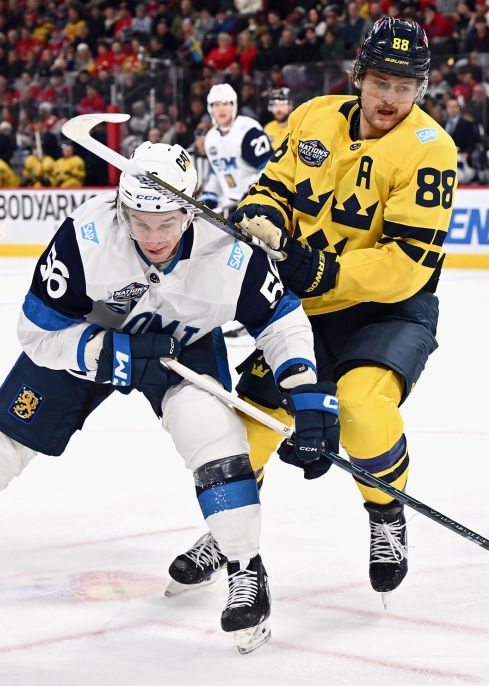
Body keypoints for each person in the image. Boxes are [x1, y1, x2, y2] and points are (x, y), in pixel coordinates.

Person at [0, 142, 334, 655]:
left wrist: (304, 389)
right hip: (84, 344)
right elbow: (38, 332)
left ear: (191, 208)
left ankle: (246, 567)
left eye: (167, 222)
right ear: (119, 208)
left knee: (214, 438)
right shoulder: (84, 237)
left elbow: (281, 320)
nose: (153, 237)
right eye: (139, 221)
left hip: (184, 346)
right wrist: (119, 354)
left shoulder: (232, 251)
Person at [166, 18, 457, 603]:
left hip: (389, 310)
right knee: (245, 425)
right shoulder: (312, 116)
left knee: (361, 407)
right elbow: (274, 185)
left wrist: (322, 270)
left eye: (406, 87)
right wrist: (265, 214)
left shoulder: (431, 151)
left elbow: (408, 263)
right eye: (381, 82)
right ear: (359, 76)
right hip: (305, 308)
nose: (391, 99)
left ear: (421, 90)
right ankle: (227, 533)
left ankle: (385, 515)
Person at [200, 83, 273, 216]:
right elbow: (217, 172)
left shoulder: (248, 130)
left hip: (258, 202)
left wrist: (253, 191)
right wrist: (210, 197)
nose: (222, 109)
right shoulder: (211, 138)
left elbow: (269, 167)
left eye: (226, 103)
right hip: (230, 203)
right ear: (210, 109)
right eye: (216, 104)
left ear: (234, 106)